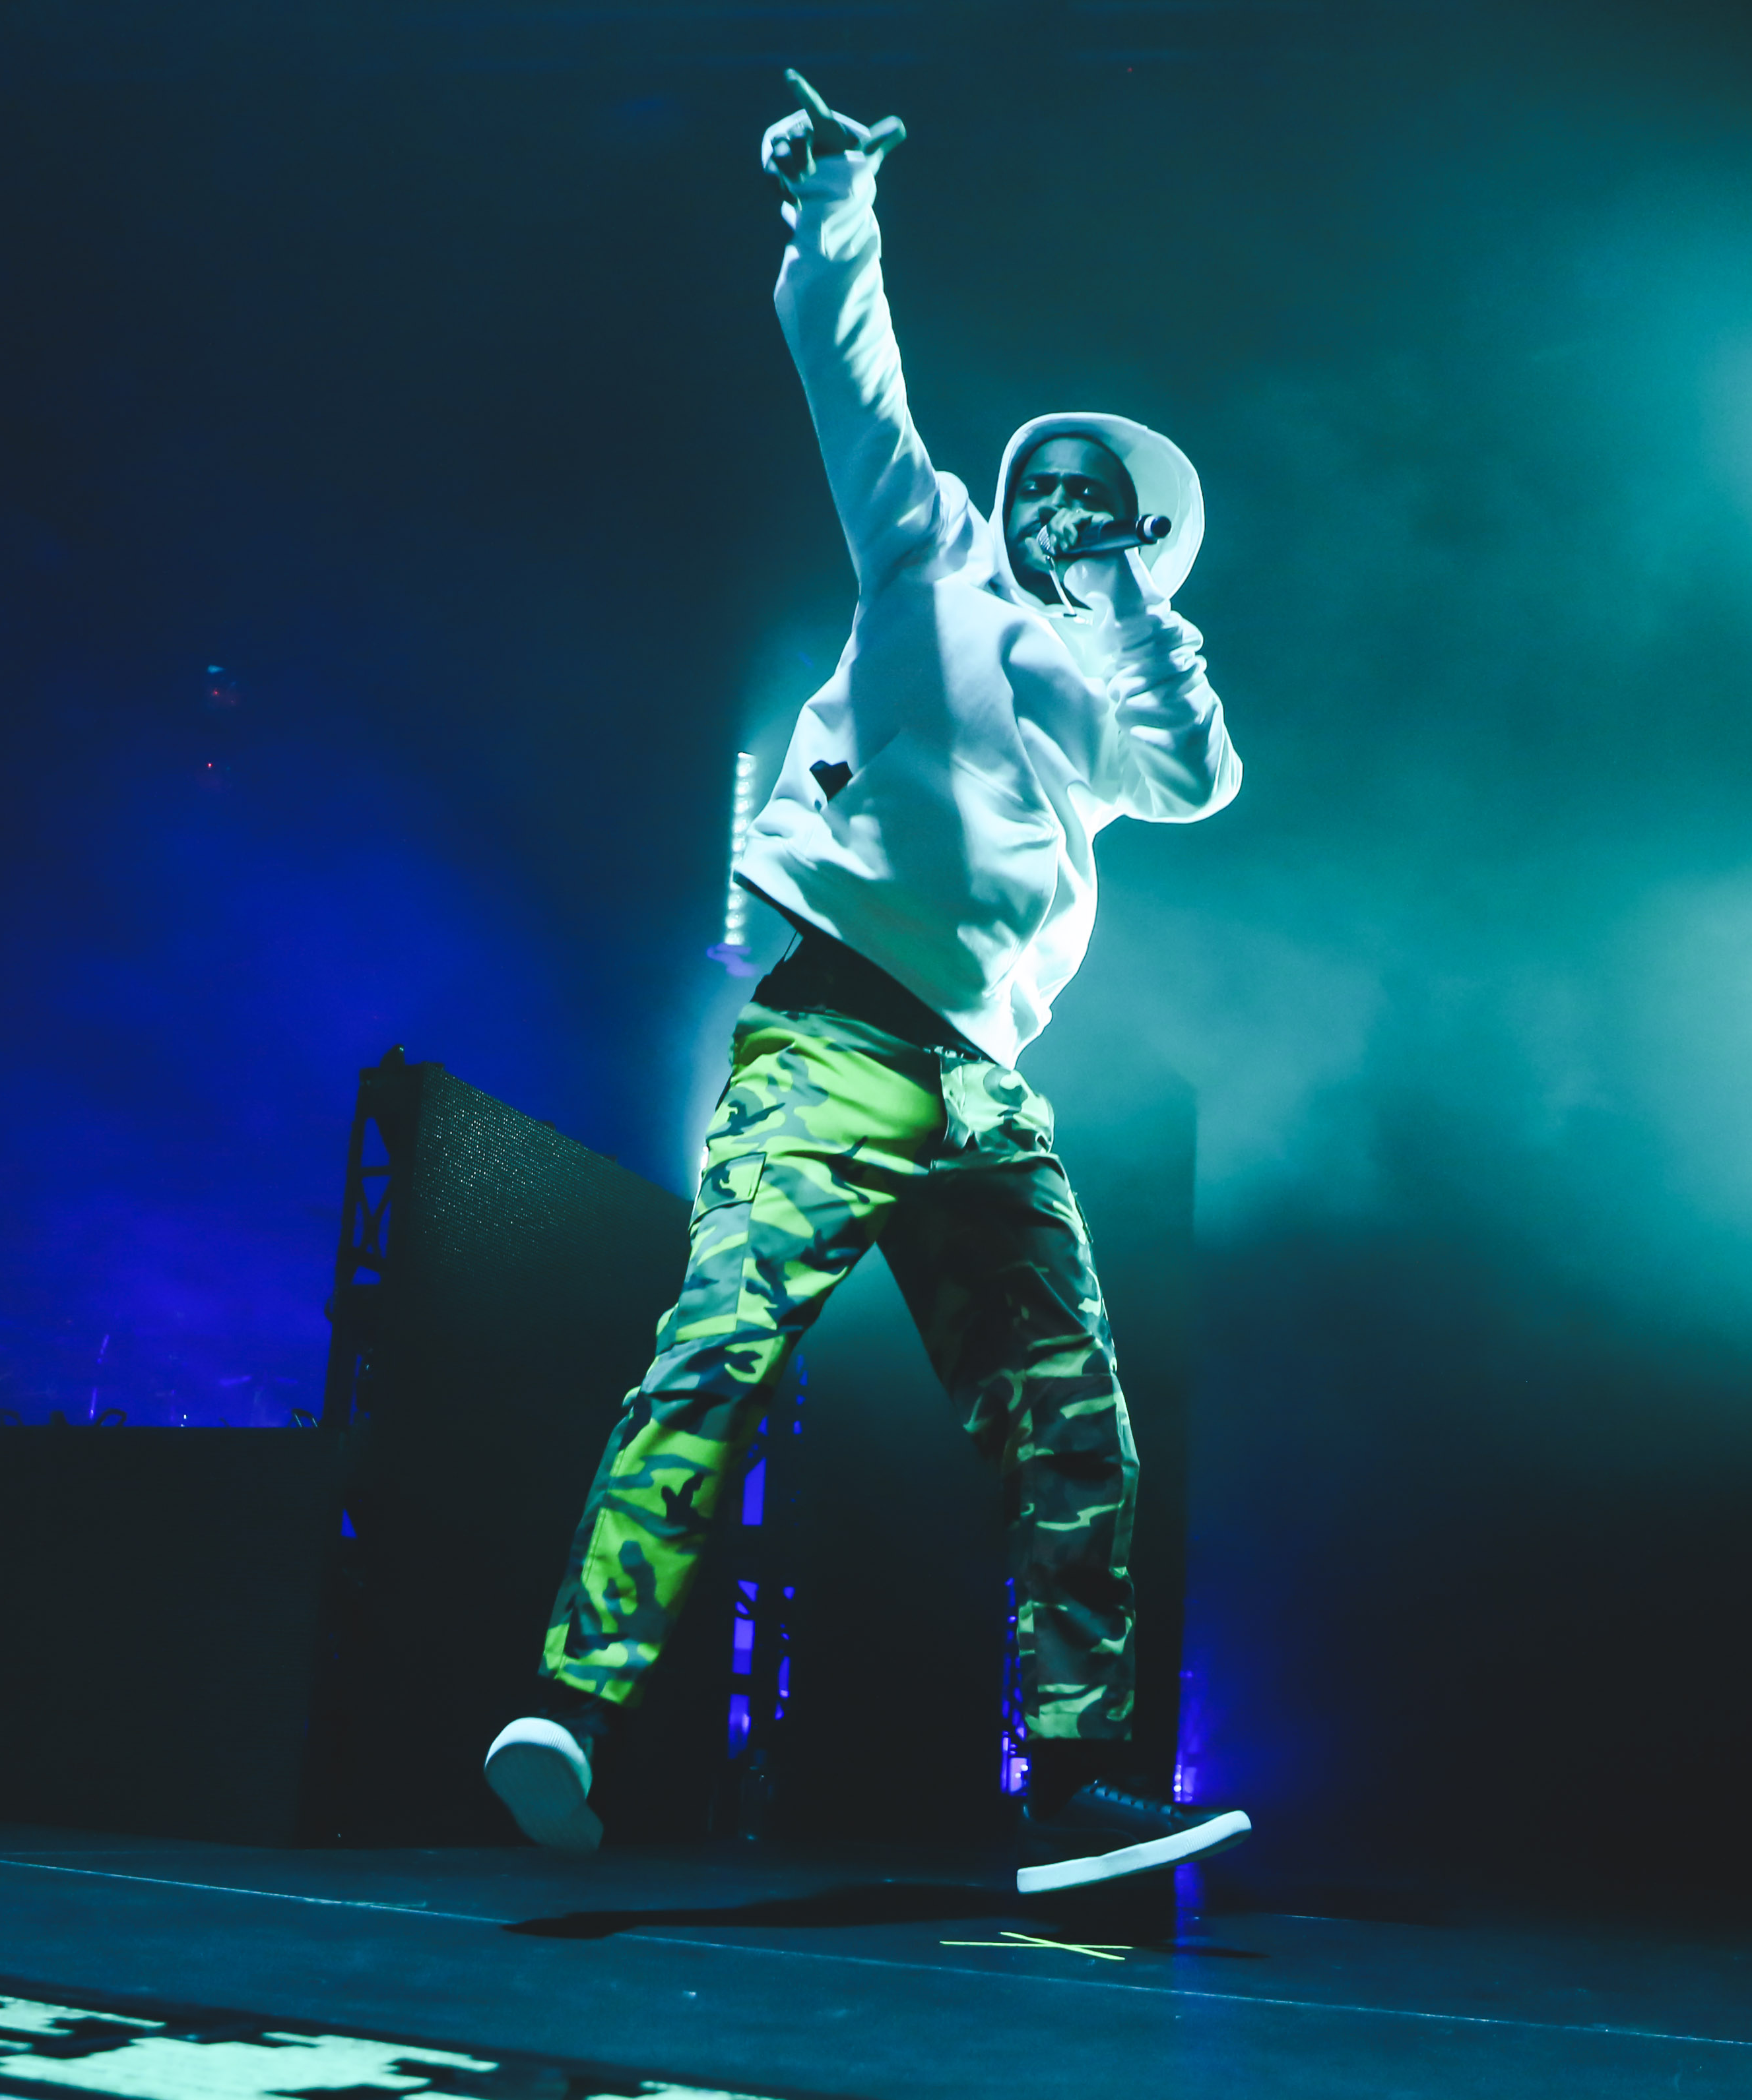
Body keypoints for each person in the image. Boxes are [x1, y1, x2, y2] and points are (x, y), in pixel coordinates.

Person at [484, 72, 1249, 1896]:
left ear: (1145, 534)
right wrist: (835, 211)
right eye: (1042, 483)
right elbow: (853, 377)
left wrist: (1133, 611)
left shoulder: (1119, 683)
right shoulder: (932, 550)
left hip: (986, 1080)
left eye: (1094, 499)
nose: (1052, 505)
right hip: (832, 1027)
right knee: (720, 1342)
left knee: (1073, 1416)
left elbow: (1199, 777)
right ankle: (570, 1712)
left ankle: (1077, 1782)